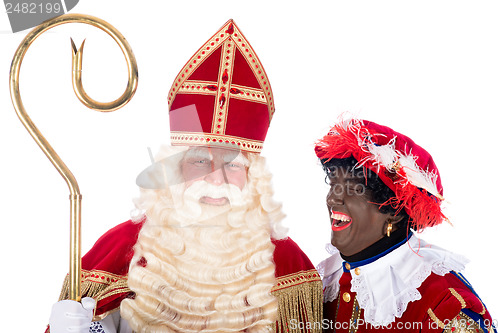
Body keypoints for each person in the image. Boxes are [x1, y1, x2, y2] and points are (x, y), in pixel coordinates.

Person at [46, 20, 322, 333]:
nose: (217, 181)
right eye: (201, 161)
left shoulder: (287, 263)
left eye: (232, 165)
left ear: (252, 177)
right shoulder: (120, 249)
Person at [315, 117, 497, 333]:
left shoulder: (441, 302)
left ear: (394, 213)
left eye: (354, 189)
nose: (333, 199)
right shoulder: (327, 281)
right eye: (334, 185)